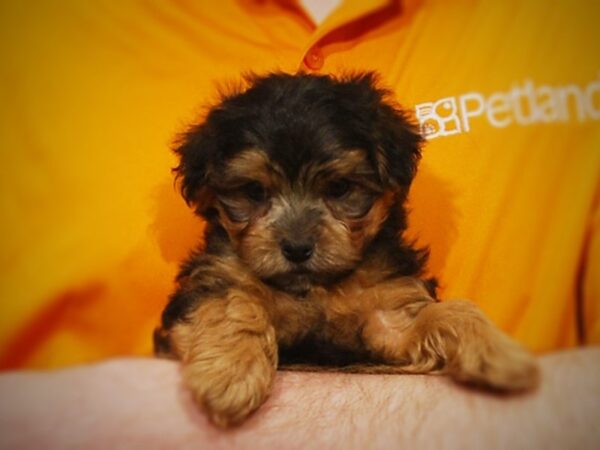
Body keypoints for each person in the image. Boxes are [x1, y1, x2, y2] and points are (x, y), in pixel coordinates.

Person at [0, 0, 598, 447]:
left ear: (393, 184)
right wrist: (236, 326)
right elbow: (197, 325)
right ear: (208, 192)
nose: (295, 235)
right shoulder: (229, 282)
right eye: (251, 196)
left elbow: (402, 328)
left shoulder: (383, 281)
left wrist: (457, 331)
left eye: (342, 192)